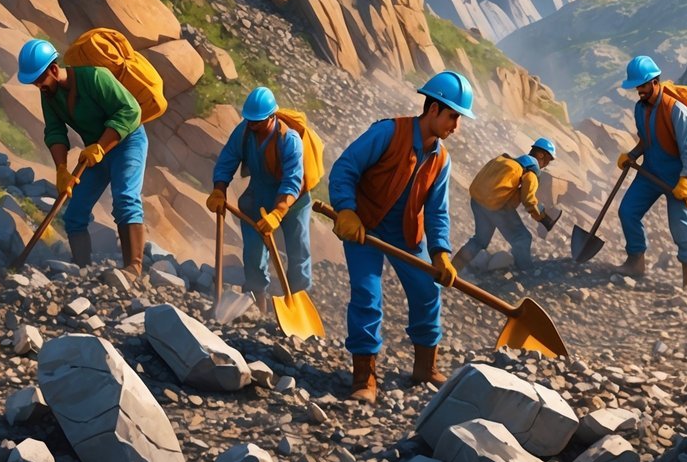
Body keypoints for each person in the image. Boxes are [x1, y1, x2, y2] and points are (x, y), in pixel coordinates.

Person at [327, 71, 475, 400]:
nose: (457, 126)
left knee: (427, 291)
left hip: (406, 232)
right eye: (453, 116)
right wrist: (347, 210)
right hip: (363, 225)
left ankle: (425, 367)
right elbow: (345, 168)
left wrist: (440, 253)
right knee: (367, 295)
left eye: (460, 118)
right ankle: (364, 377)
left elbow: (437, 210)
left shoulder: (441, 160)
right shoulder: (387, 133)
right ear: (433, 109)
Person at [17, 38, 147, 277]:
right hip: (94, 153)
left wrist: (101, 145)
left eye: (39, 80)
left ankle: (133, 269)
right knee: (75, 212)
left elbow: (131, 111)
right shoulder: (49, 96)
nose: (38, 87)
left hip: (127, 142)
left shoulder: (96, 77)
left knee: (125, 199)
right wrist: (61, 170)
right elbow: (55, 132)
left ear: (54, 70)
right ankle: (81, 270)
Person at [206, 87, 312, 304]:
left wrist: (278, 212)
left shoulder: (289, 139)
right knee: (254, 248)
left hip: (293, 201)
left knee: (298, 248)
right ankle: (257, 295)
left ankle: (298, 298)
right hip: (260, 191)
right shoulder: (244, 132)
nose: (252, 125)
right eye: (249, 120)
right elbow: (227, 159)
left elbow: (293, 181)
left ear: (271, 117)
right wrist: (219, 189)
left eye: (257, 121)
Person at [614, 55, 687, 291]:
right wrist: (632, 154)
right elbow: (647, 139)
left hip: (675, 177)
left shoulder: (677, 110)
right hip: (650, 171)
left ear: (654, 81)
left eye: (641, 86)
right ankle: (635, 261)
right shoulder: (640, 109)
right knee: (627, 211)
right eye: (636, 87)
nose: (638, 91)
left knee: (681, 225)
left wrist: (685, 179)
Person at [456, 138, 557, 272]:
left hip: (478, 202)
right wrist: (543, 218)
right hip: (496, 207)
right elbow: (529, 200)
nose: (547, 164)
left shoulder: (506, 161)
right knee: (522, 238)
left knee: (479, 240)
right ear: (541, 155)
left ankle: (451, 268)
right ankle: (525, 273)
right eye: (548, 160)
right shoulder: (530, 172)